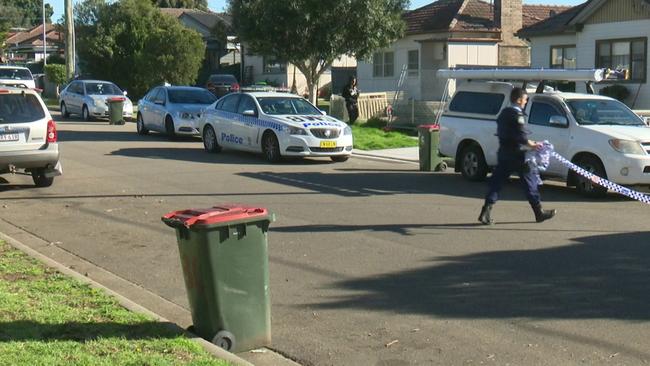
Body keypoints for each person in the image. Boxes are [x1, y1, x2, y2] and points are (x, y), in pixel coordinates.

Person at [478, 87, 556, 225]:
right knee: (530, 183)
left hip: (504, 153)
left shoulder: (504, 113)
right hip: (518, 155)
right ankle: (539, 212)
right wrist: (534, 145)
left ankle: (485, 211)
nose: (526, 102)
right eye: (525, 100)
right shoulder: (517, 115)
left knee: (496, 182)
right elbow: (521, 137)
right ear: (520, 100)